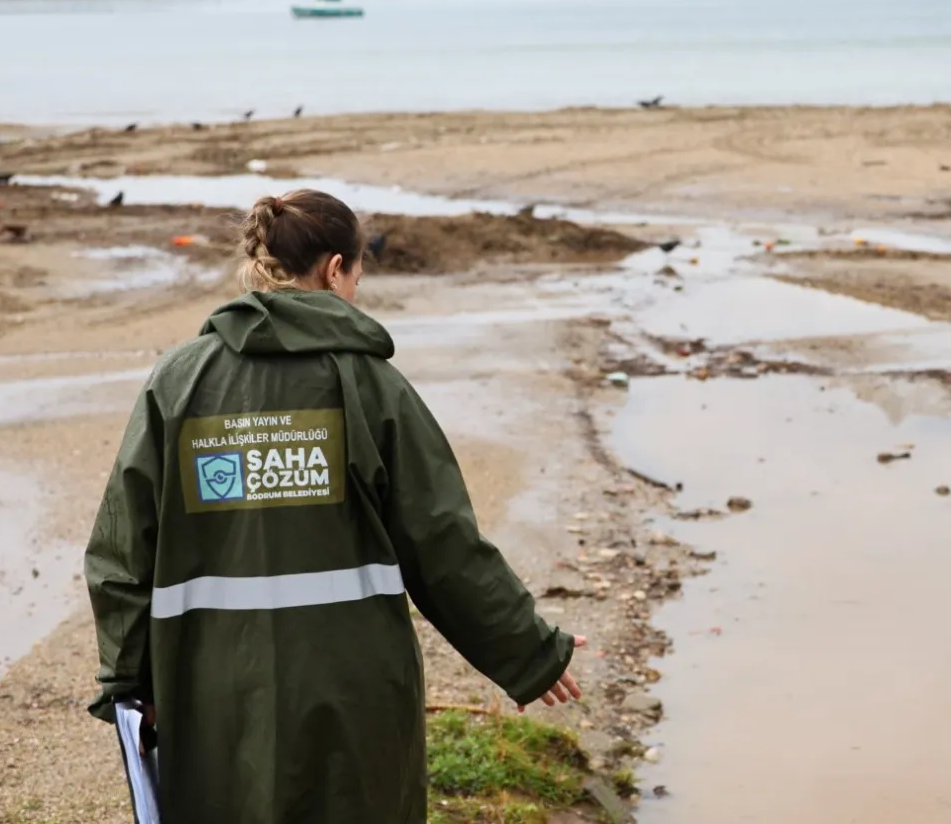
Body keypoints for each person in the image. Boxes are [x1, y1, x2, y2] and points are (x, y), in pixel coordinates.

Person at [85, 189, 583, 824]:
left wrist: (129, 683)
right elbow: (441, 543)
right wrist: (530, 652)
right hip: (354, 688)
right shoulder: (372, 385)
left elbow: (121, 550)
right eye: (357, 273)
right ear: (334, 269)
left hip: (211, 686)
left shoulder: (178, 379)